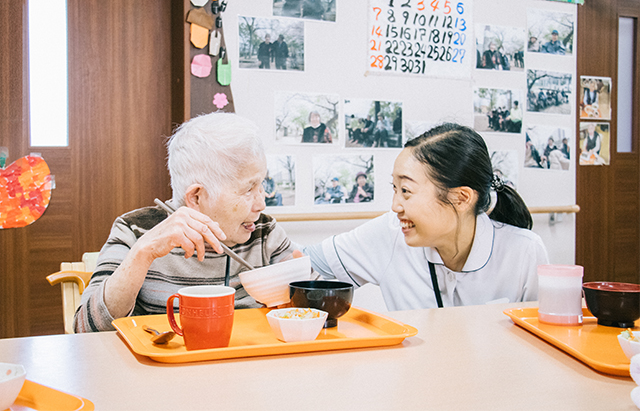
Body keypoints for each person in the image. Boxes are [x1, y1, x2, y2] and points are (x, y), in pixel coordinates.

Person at [74, 113, 296, 332]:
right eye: (249, 189)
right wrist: (143, 253)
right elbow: (85, 329)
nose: (261, 204)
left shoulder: (265, 233)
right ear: (197, 197)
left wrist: (307, 288)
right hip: (162, 366)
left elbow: (316, 313)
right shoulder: (134, 230)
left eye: (261, 185)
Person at [304, 123, 548, 311]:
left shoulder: (524, 252)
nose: (395, 206)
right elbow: (304, 263)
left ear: (461, 198)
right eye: (395, 189)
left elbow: (544, 344)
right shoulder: (390, 233)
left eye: (406, 191)